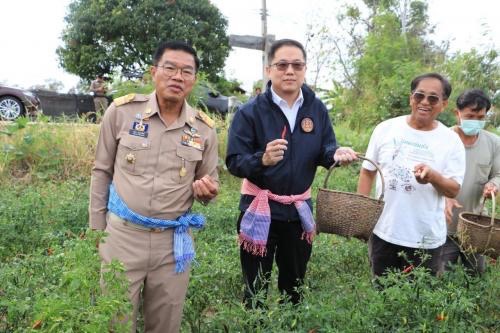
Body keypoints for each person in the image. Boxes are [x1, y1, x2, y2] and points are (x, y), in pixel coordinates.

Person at [89, 41, 219, 333]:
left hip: (172, 244)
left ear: (194, 79)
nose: (178, 76)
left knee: (165, 325)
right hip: (122, 237)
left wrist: (208, 192)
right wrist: (97, 231)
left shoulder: (204, 129)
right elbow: (101, 172)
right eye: (170, 68)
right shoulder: (122, 113)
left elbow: (211, 184)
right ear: (153, 72)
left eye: (187, 71)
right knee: (114, 323)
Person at [226, 38, 357, 307]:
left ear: (304, 69)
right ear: (268, 70)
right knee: (256, 288)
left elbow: (325, 148)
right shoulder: (250, 112)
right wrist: (262, 159)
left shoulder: (316, 108)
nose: (289, 71)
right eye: (282, 65)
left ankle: (290, 323)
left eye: (297, 65)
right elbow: (234, 162)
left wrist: (336, 154)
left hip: (298, 211)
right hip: (259, 208)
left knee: (295, 286)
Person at [357, 73, 466, 278]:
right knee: (383, 298)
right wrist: (362, 216)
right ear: (411, 98)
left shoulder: (451, 141)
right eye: (419, 96)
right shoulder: (386, 129)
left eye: (433, 98)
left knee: (418, 302)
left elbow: (453, 188)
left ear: (443, 104)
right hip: (383, 231)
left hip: (426, 239)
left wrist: (433, 177)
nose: (425, 102)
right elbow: (367, 171)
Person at [440, 89, 499, 274]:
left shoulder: (493, 143)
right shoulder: (443, 139)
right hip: (444, 226)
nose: (475, 120)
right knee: (439, 277)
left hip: (476, 228)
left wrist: (494, 185)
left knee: (474, 276)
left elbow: (498, 174)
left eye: (480, 117)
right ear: (457, 113)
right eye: (470, 115)